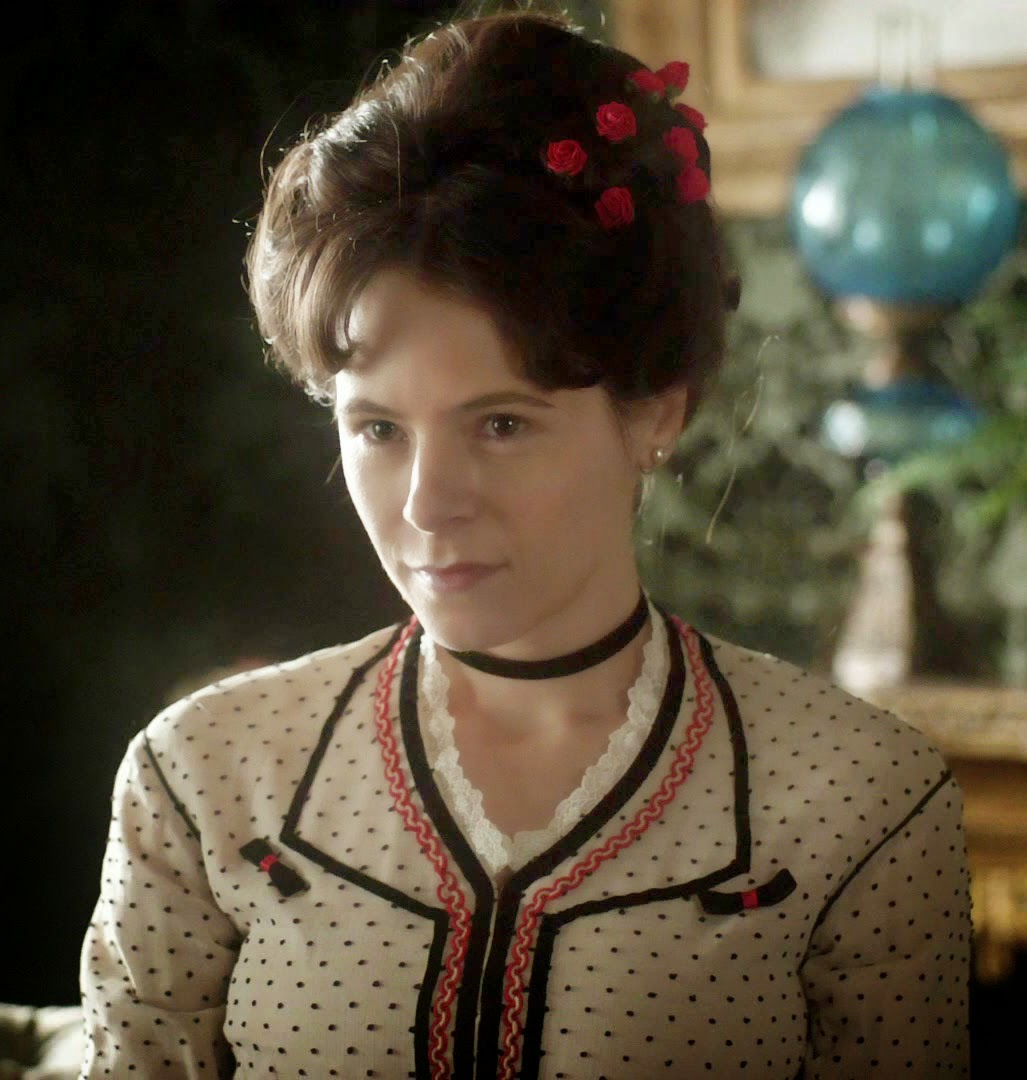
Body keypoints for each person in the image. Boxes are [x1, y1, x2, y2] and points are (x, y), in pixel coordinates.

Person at [79, 9, 971, 1078]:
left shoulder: (857, 801)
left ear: (655, 412)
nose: (427, 505)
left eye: (500, 424)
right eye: (378, 429)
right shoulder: (205, 777)